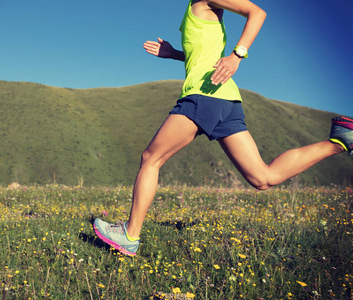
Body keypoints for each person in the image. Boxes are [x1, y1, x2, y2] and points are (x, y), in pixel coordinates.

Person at [93, 0, 353, 257]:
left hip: (203, 95)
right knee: (263, 178)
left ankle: (130, 235)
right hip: (225, 99)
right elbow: (203, 57)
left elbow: (257, 12)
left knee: (151, 159)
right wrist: (174, 54)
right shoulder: (195, 8)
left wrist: (237, 55)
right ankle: (341, 140)